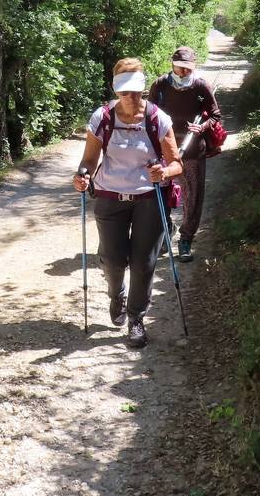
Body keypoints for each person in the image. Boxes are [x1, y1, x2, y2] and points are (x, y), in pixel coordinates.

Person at [72, 58, 183, 348]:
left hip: (149, 196)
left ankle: (136, 319)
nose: (131, 98)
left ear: (143, 88)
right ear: (116, 90)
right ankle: (116, 294)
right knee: (112, 259)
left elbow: (176, 165)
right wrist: (82, 176)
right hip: (110, 196)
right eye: (125, 92)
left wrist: (164, 172)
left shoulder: (158, 119)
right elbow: (89, 160)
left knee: (143, 262)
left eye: (136, 91)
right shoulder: (103, 118)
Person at [149, 46, 223, 263]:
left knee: (193, 196)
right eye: (179, 68)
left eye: (187, 69)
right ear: (172, 65)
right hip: (164, 148)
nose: (183, 73)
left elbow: (215, 115)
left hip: (192, 150)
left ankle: (186, 239)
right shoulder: (160, 84)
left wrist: (202, 127)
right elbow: (149, 113)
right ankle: (165, 230)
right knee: (158, 194)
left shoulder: (200, 85)